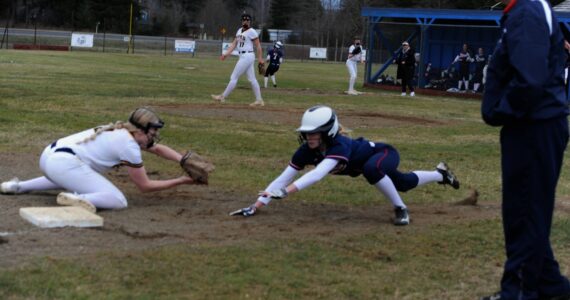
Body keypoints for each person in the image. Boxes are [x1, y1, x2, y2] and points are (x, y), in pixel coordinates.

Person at [230, 105, 460, 226]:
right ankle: (440, 174)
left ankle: (401, 209)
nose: (309, 137)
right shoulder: (306, 151)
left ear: (328, 131)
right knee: (404, 182)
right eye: (306, 133)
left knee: (372, 170)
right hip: (370, 164)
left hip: (383, 153)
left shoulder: (338, 145)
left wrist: (286, 193)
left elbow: (318, 174)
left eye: (314, 133)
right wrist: (256, 205)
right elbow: (284, 177)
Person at [481, 0, 570, 299]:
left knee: (524, 215)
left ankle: (518, 293)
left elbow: (529, 82)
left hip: (532, 126)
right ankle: (549, 286)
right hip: (536, 125)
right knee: (531, 213)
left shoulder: (527, 12)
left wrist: (498, 110)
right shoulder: (529, 9)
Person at [0, 107, 195, 213]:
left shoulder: (122, 131)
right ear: (140, 130)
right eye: (152, 132)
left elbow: (158, 149)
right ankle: (78, 198)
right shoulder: (129, 145)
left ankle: (17, 186)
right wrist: (181, 181)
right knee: (118, 200)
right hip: (63, 164)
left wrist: (182, 160)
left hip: (49, 157)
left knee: (71, 174)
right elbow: (145, 186)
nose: (154, 136)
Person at [211, 13, 265, 107]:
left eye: (248, 20)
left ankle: (222, 96)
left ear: (250, 22)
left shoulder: (252, 31)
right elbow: (234, 44)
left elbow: (258, 46)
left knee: (234, 77)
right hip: (243, 56)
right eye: (244, 20)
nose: (246, 21)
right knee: (252, 79)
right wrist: (226, 54)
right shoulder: (239, 30)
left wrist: (260, 59)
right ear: (241, 21)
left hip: (247, 55)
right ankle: (259, 100)